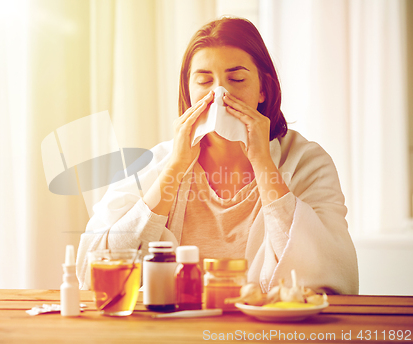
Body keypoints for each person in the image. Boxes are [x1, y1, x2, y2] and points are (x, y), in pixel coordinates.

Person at [76, 17, 359, 294]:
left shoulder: (308, 162)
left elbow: (331, 275)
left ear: (263, 88)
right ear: (188, 91)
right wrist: (175, 168)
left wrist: (263, 164)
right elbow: (93, 271)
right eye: (203, 81)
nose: (219, 94)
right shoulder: (156, 163)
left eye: (236, 78)